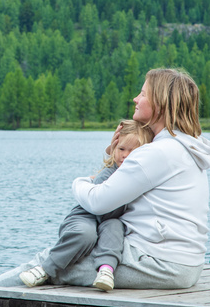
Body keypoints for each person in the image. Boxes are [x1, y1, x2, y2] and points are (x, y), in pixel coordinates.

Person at [0, 67, 210, 307]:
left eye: (143, 93)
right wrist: (111, 160)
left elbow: (98, 202)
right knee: (60, 263)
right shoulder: (183, 148)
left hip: (162, 263)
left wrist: (79, 182)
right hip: (180, 261)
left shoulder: (158, 153)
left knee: (53, 264)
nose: (135, 99)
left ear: (160, 104)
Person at [18, 119, 153, 293]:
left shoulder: (138, 176)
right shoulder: (108, 174)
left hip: (108, 220)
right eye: (121, 149)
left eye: (131, 151)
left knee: (114, 228)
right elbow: (97, 206)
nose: (125, 155)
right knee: (86, 234)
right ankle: (45, 269)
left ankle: (106, 270)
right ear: (113, 149)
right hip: (86, 216)